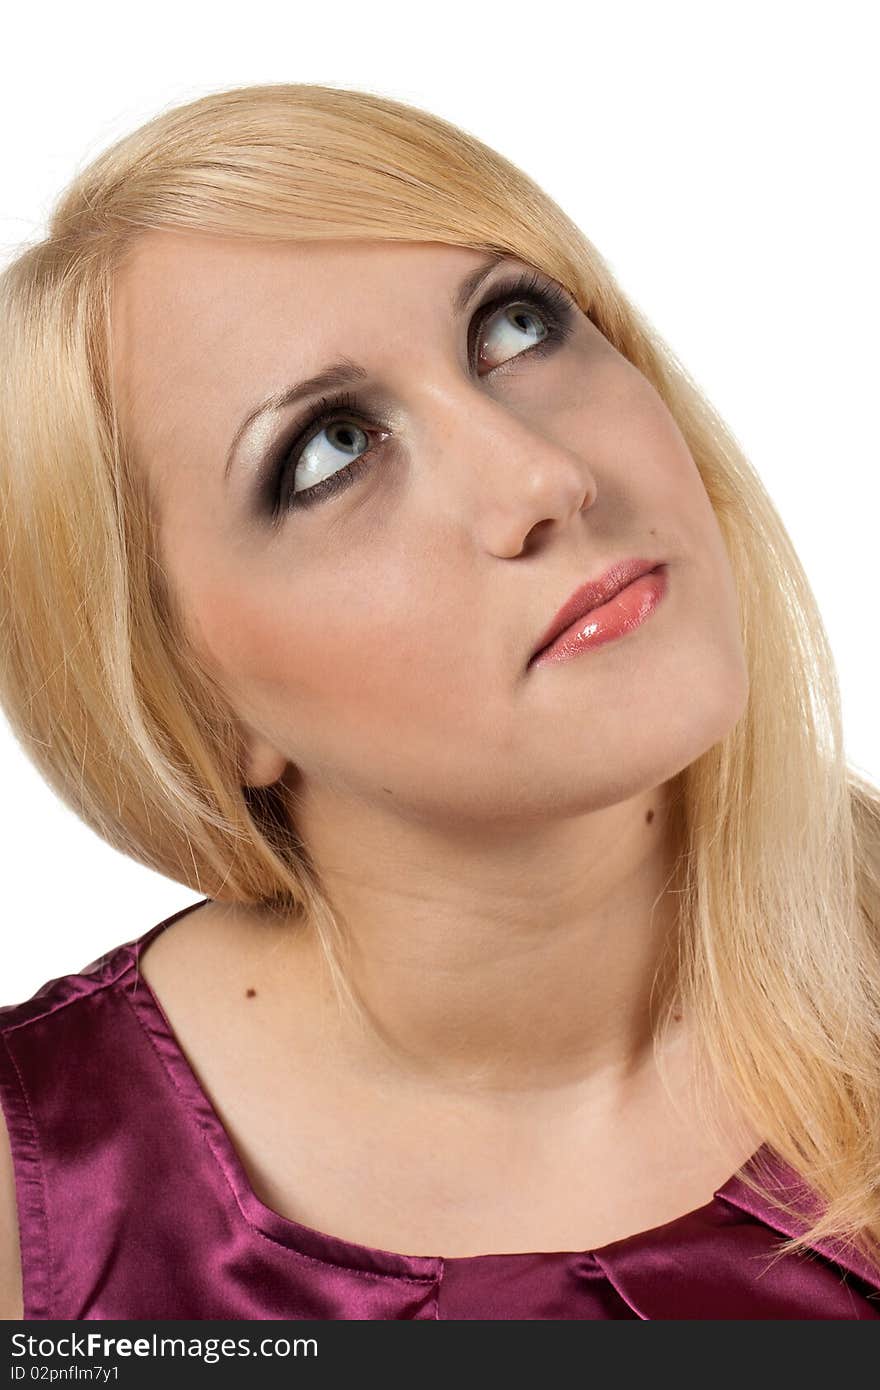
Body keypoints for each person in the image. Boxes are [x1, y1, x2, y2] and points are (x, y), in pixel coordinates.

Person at [0, 82, 878, 1322]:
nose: (544, 476)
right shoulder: (35, 1207)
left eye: (516, 326)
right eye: (329, 449)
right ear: (185, 699)